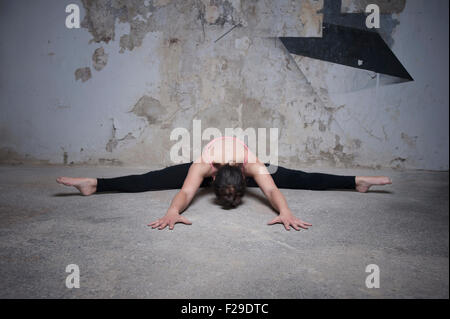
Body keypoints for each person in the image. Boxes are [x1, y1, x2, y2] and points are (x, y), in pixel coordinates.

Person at [56, 136, 392, 231]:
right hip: (213, 162)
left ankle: (357, 181)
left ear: (247, 180)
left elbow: (273, 189)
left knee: (299, 177)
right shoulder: (203, 166)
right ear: (212, 179)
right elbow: (187, 191)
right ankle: (94, 184)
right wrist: (172, 212)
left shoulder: (254, 166)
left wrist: (286, 212)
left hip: (244, 164)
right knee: (150, 179)